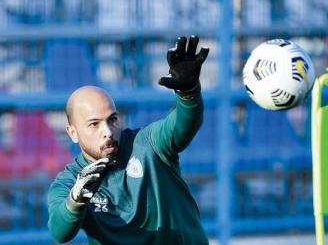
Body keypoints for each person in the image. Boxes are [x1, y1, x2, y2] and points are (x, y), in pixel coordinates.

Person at [47, 35, 210, 244]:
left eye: (112, 120)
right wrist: (76, 200)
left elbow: (182, 126)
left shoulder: (147, 144)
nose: (107, 131)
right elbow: (59, 233)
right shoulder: (70, 182)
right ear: (72, 133)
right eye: (94, 124)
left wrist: (188, 93)